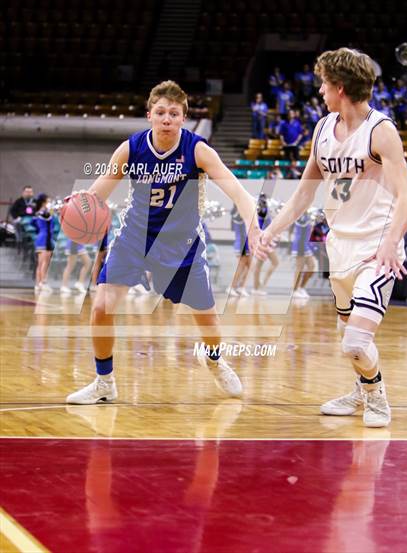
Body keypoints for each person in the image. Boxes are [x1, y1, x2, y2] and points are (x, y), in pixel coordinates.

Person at [66, 80, 260, 405]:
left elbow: (238, 191)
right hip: (134, 240)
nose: (166, 118)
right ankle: (104, 382)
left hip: (180, 245)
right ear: (149, 115)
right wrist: (79, 202)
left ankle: (213, 359)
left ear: (183, 118)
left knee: (209, 322)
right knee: (100, 308)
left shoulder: (197, 150)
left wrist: (253, 228)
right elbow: (99, 190)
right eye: (160, 112)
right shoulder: (131, 148)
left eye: (173, 112)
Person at [257, 47, 407, 427]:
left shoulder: (381, 131)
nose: (320, 91)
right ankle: (361, 391)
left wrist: (392, 242)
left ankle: (377, 397)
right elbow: (304, 194)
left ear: (340, 87)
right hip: (339, 248)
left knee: (355, 342)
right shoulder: (323, 128)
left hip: (376, 250)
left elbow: (406, 195)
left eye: (324, 84)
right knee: (349, 335)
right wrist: (269, 232)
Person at [251, 193, 279, 295]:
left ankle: (258, 287)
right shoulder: (262, 211)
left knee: (260, 265)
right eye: (263, 200)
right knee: (274, 262)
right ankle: (259, 286)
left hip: (265, 240)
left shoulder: (264, 211)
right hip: (264, 240)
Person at [31, 193, 56, 293]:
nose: (49, 203)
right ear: (43, 202)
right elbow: (50, 219)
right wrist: (52, 210)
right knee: (44, 263)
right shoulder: (44, 213)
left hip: (43, 237)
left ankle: (38, 284)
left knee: (41, 263)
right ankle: (42, 283)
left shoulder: (40, 213)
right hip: (44, 238)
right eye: (48, 201)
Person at [289, 211, 316, 299]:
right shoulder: (299, 215)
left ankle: (301, 287)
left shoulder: (307, 214)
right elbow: (297, 226)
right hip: (300, 243)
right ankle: (294, 290)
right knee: (299, 268)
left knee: (312, 266)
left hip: (306, 243)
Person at [228, 205, 252, 297]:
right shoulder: (238, 212)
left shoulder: (238, 211)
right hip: (241, 242)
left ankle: (241, 287)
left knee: (249, 265)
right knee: (241, 265)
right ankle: (231, 287)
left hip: (244, 242)